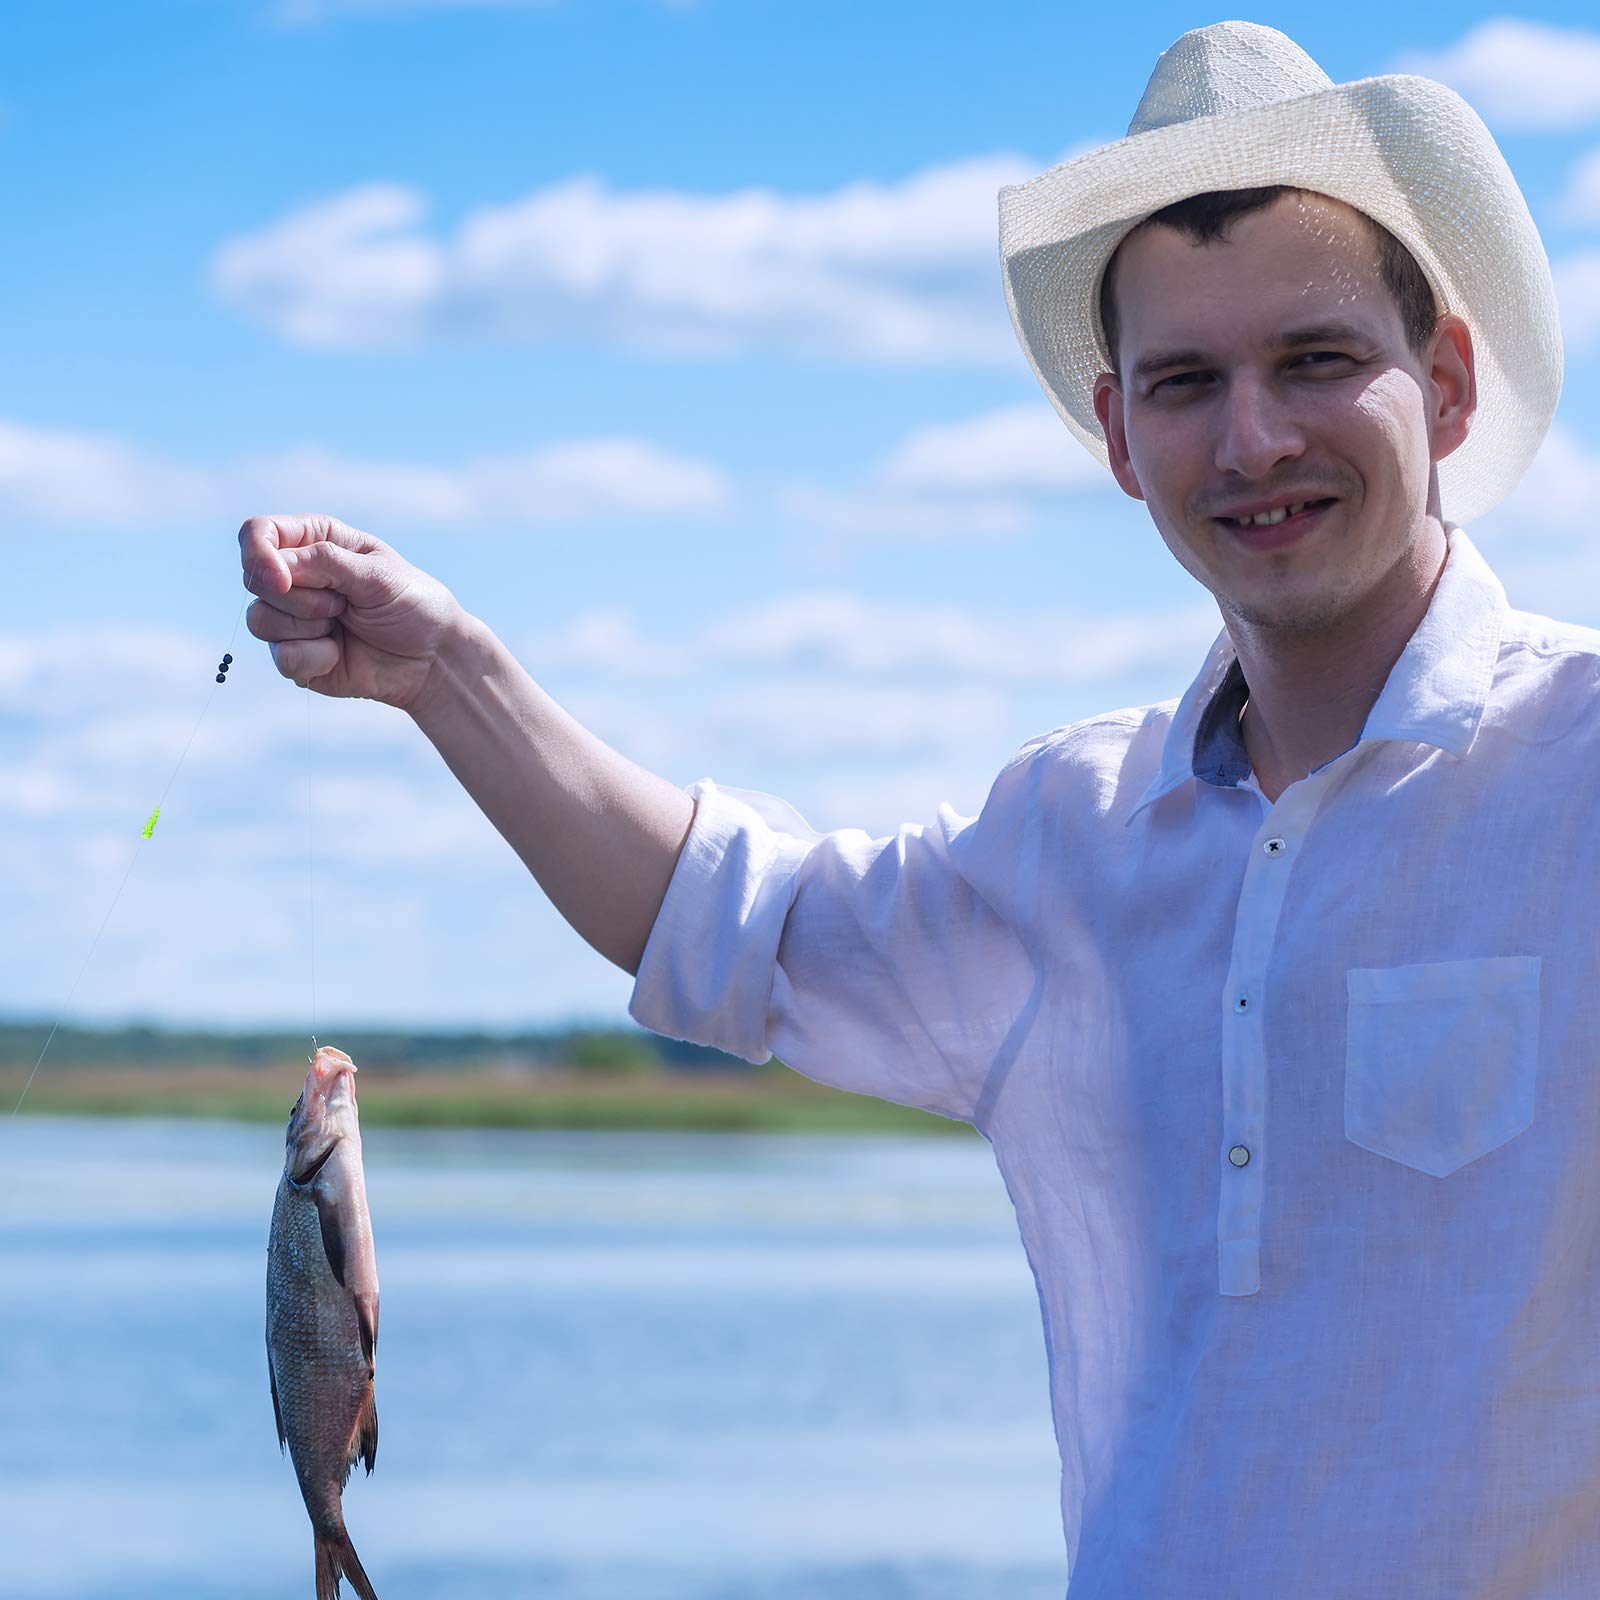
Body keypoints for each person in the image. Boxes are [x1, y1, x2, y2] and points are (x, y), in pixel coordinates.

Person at [239, 20, 1589, 1596]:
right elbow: (729, 924)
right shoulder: (1074, 839)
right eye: (1183, 383)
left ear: (1443, 383)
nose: (1253, 439)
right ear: (1118, 440)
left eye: (1314, 360)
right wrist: (447, 671)